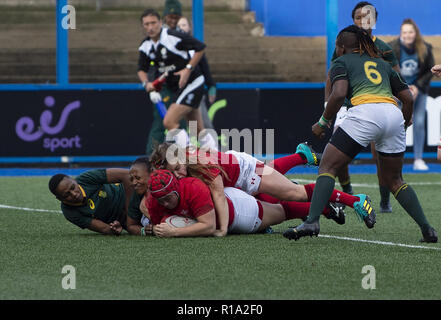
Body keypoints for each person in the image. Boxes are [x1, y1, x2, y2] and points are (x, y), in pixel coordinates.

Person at [284, 25, 438, 243]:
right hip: (392, 114)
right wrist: (403, 121)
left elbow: (338, 94)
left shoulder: (341, 62)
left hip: (365, 113)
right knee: (395, 180)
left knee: (327, 166)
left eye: (337, 46)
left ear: (342, 47)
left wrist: (323, 122)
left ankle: (312, 221)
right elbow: (408, 98)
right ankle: (427, 230)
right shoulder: (382, 64)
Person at [150, 142, 371, 235]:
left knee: (295, 193)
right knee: (273, 183)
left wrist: (223, 229)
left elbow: (218, 193)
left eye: (178, 168)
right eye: (173, 171)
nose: (178, 174)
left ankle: (354, 200)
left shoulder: (199, 161)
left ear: (181, 157)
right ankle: (302, 155)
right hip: (238, 172)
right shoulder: (185, 161)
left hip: (248, 173)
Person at [325, 1, 400, 213]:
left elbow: (397, 78)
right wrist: (328, 108)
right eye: (358, 17)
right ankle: (347, 193)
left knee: (380, 157)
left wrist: (398, 103)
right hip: (348, 107)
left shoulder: (384, 49)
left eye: (367, 17)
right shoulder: (344, 46)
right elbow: (331, 77)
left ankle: (384, 200)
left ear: (375, 20)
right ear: (353, 21)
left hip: (378, 106)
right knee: (336, 155)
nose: (363, 21)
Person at [146, 170, 344, 238]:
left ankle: (326, 205)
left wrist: (175, 232)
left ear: (177, 188)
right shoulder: (154, 200)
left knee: (283, 210)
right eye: (160, 199)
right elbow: (156, 225)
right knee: (277, 196)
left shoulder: (192, 187)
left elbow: (207, 226)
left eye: (168, 197)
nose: (165, 203)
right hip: (228, 194)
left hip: (238, 211)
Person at [137, 9, 217, 151]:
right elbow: (141, 69)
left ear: (161, 23)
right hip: (177, 88)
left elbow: (200, 48)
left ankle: (188, 156)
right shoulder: (146, 46)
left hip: (193, 83)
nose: (150, 27)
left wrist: (188, 69)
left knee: (169, 121)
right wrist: (146, 83)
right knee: (197, 130)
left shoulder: (172, 36)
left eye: (153, 23)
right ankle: (216, 158)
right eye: (146, 24)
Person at [389, 18, 435, 171]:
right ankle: (394, 160)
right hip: (398, 93)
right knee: (396, 125)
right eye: (404, 32)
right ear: (401, 34)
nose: (408, 35)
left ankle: (418, 159)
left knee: (419, 123)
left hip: (418, 92)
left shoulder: (425, 48)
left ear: (415, 33)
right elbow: (388, 70)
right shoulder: (392, 47)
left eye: (410, 32)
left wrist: (416, 87)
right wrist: (402, 88)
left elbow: (430, 71)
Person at [48, 168, 133, 235]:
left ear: (74, 180)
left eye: (73, 187)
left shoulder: (87, 178)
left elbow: (126, 175)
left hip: (131, 198)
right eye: (67, 195)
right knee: (136, 230)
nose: (74, 194)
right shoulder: (69, 212)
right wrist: (114, 229)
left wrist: (131, 213)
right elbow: (104, 228)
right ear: (59, 199)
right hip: (123, 220)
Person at [177, 16, 217, 133]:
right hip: (178, 93)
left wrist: (211, 86)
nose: (181, 28)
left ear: (189, 28)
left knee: (204, 125)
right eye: (178, 26)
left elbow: (205, 69)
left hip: (195, 91)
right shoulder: (172, 47)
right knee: (177, 127)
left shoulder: (196, 48)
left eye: (184, 25)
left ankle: (215, 150)